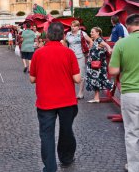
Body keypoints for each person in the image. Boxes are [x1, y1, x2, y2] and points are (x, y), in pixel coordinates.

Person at [30, 22, 81, 172]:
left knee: (46, 135)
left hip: (45, 101)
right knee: (66, 130)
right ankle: (66, 158)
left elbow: (32, 79)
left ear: (47, 36)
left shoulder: (38, 53)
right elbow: (77, 79)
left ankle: (50, 167)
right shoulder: (69, 53)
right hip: (67, 100)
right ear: (63, 36)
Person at [109, 14, 139, 172]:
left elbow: (113, 70)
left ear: (128, 27)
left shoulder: (122, 43)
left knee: (132, 132)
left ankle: (134, 167)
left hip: (130, 92)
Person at [63, 20, 93, 99]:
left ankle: (81, 92)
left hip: (80, 56)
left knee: (81, 74)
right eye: (71, 26)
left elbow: (90, 41)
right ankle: (71, 91)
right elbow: (65, 42)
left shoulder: (82, 33)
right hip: (70, 56)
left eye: (74, 26)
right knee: (69, 74)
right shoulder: (68, 34)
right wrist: (66, 50)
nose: (72, 27)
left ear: (78, 27)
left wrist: (88, 51)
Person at [85, 27, 113, 103]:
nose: (90, 33)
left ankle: (113, 88)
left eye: (92, 32)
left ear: (98, 33)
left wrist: (109, 48)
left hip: (98, 66)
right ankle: (96, 98)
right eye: (91, 32)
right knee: (96, 80)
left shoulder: (99, 40)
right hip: (94, 65)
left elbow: (106, 45)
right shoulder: (95, 41)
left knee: (101, 79)